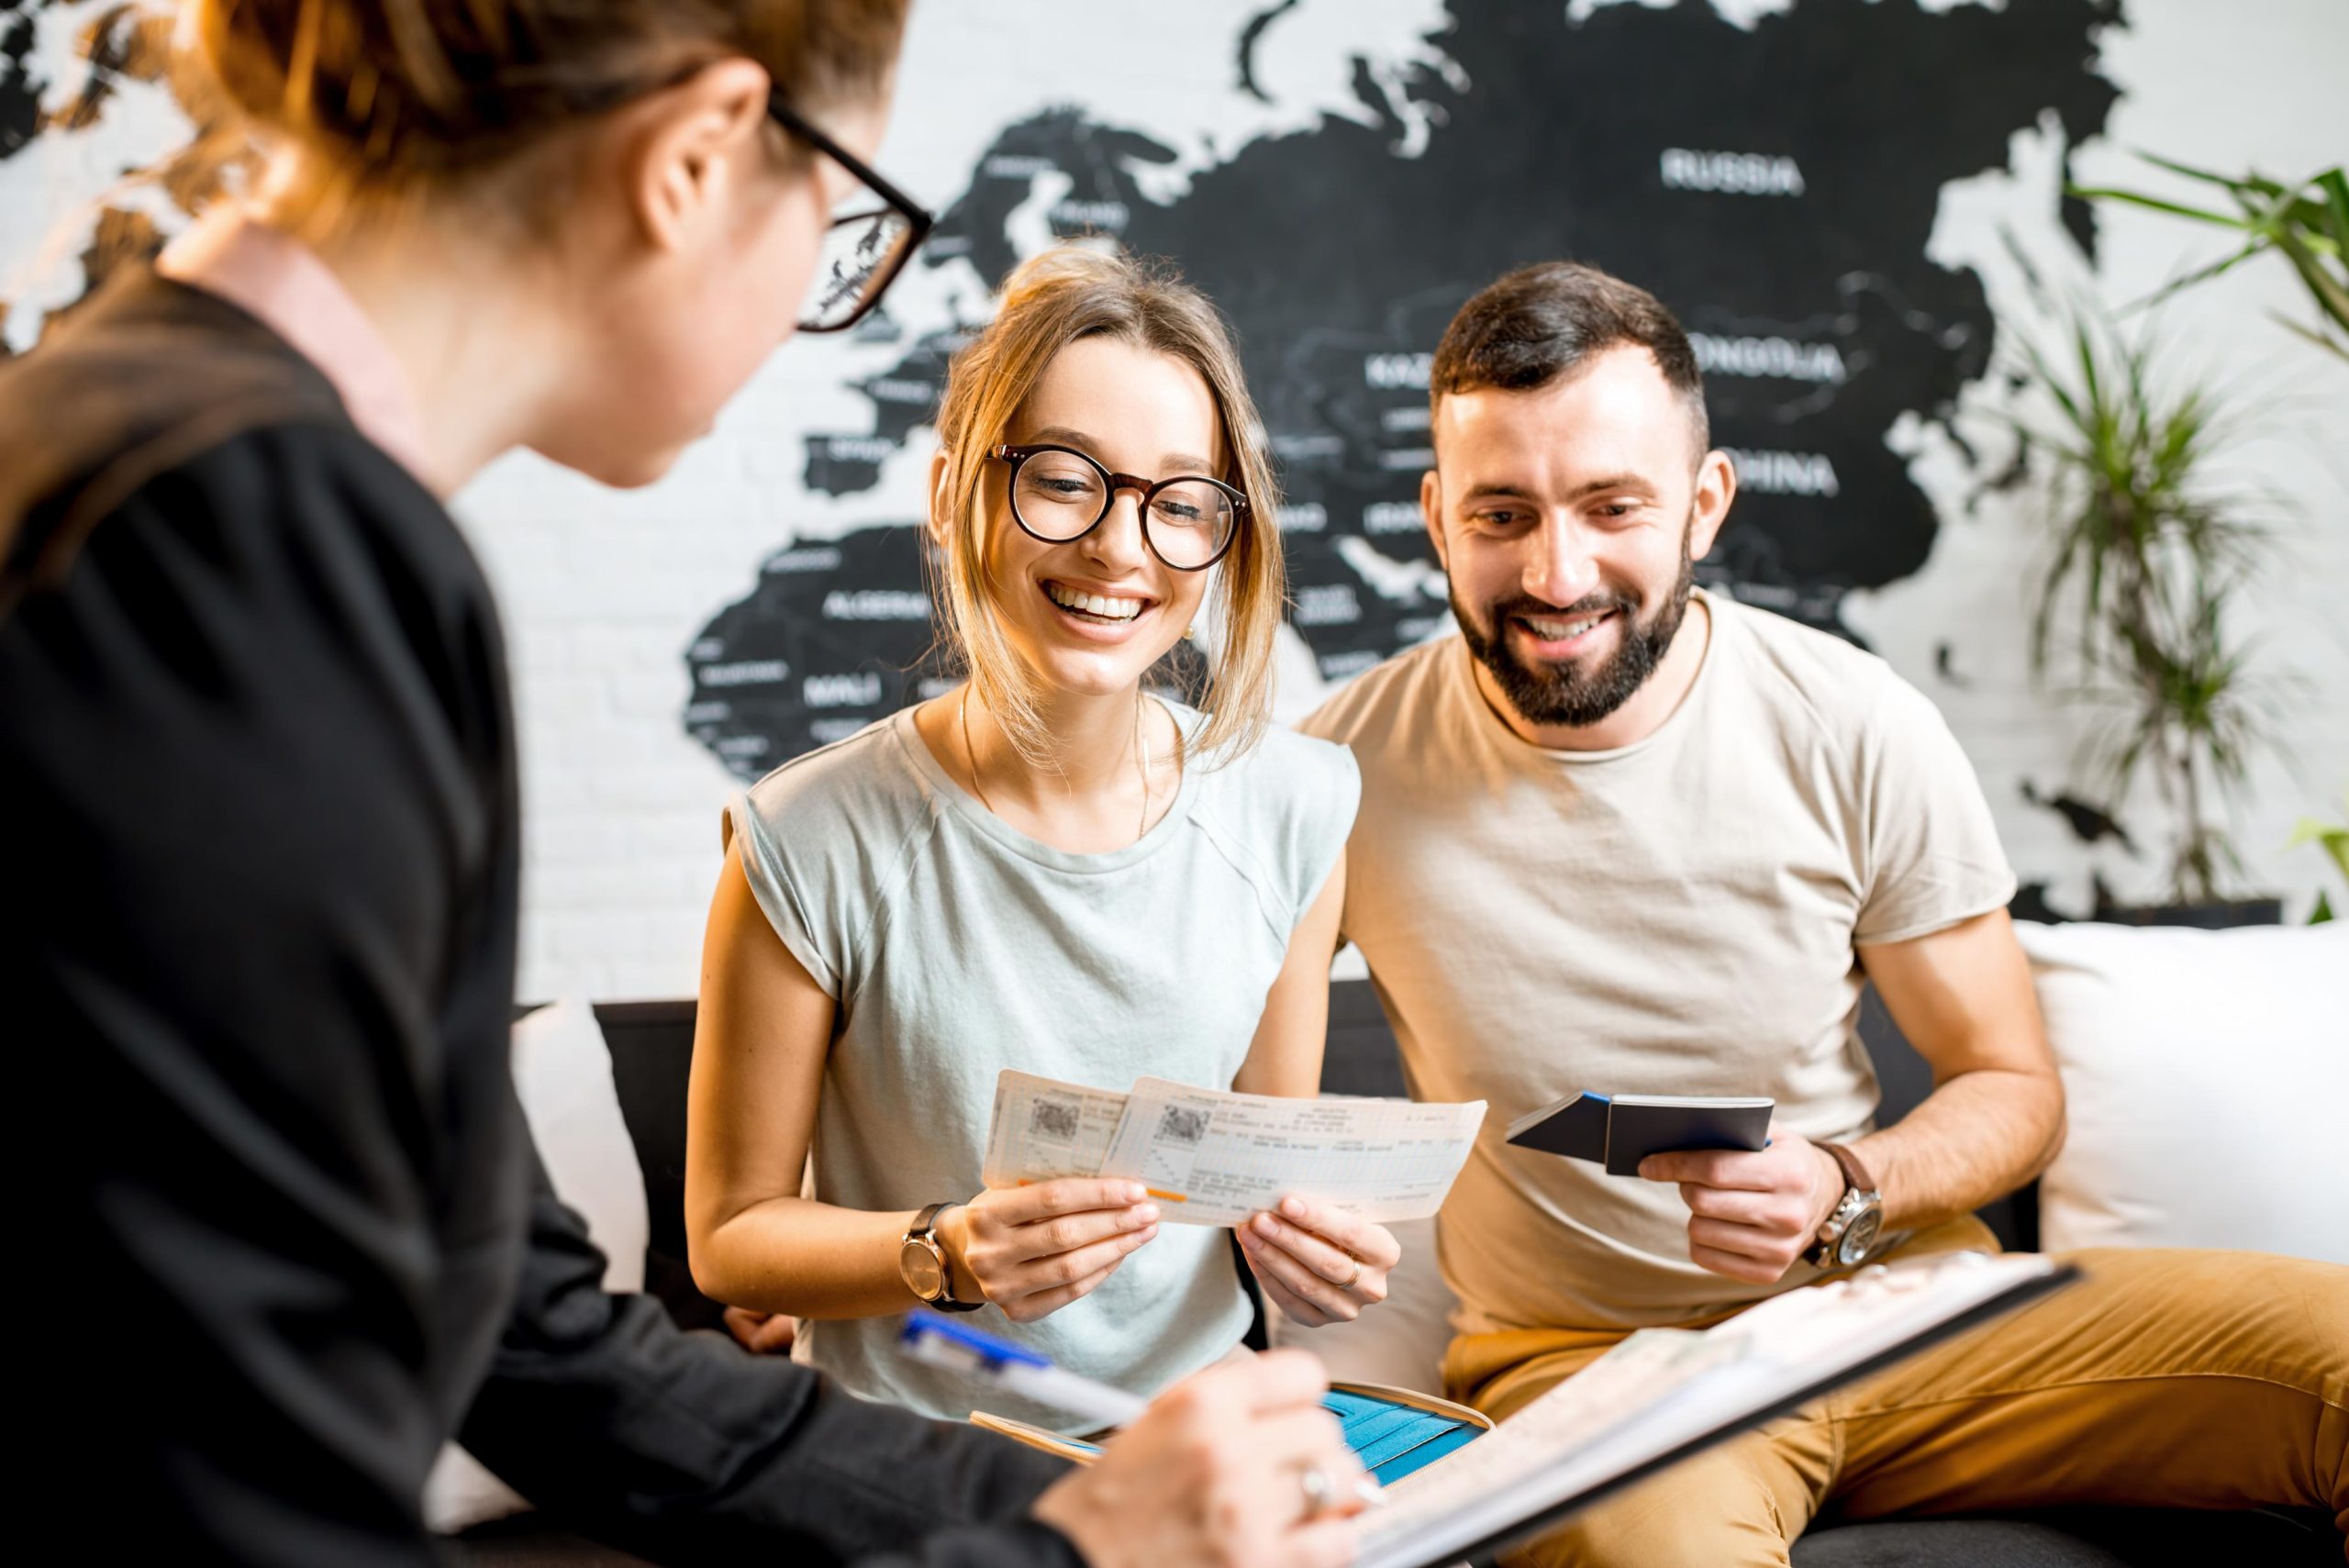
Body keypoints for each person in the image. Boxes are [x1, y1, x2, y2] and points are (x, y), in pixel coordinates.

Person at [2, 5, 1364, 1565]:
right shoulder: (243, 534)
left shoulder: (182, 463)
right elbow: (233, 1452)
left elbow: (519, 1334)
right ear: (700, 153)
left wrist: (1064, 1517)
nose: (818, 293)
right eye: (838, 214)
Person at [1298, 261, 2349, 1565]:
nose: (1556, 570)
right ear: (1436, 518)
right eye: (1502, 513)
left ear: (1705, 501)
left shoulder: (1855, 720)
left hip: (1912, 1313)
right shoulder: (1332, 771)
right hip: (1596, 1373)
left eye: (1611, 505)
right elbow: (1227, 1070)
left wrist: (1848, 1181)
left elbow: (2013, 1087)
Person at [687, 245, 1400, 1431]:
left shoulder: (1296, 801)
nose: (1124, 549)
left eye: (1179, 502)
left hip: (1194, 1430)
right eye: (1066, 479)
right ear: (952, 486)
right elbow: (728, 1237)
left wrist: (1304, 1239)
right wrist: (943, 1249)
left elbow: (1253, 1165)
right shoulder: (804, 837)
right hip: (914, 1452)